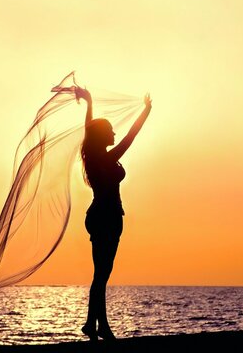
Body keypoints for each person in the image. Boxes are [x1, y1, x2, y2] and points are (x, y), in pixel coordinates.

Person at [75, 87, 152, 341]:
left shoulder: (94, 157)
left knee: (101, 274)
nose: (114, 133)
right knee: (102, 275)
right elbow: (131, 135)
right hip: (105, 217)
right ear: (102, 136)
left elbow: (90, 130)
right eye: (110, 131)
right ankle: (101, 326)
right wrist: (146, 110)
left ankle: (91, 324)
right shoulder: (104, 159)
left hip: (102, 216)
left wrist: (89, 103)